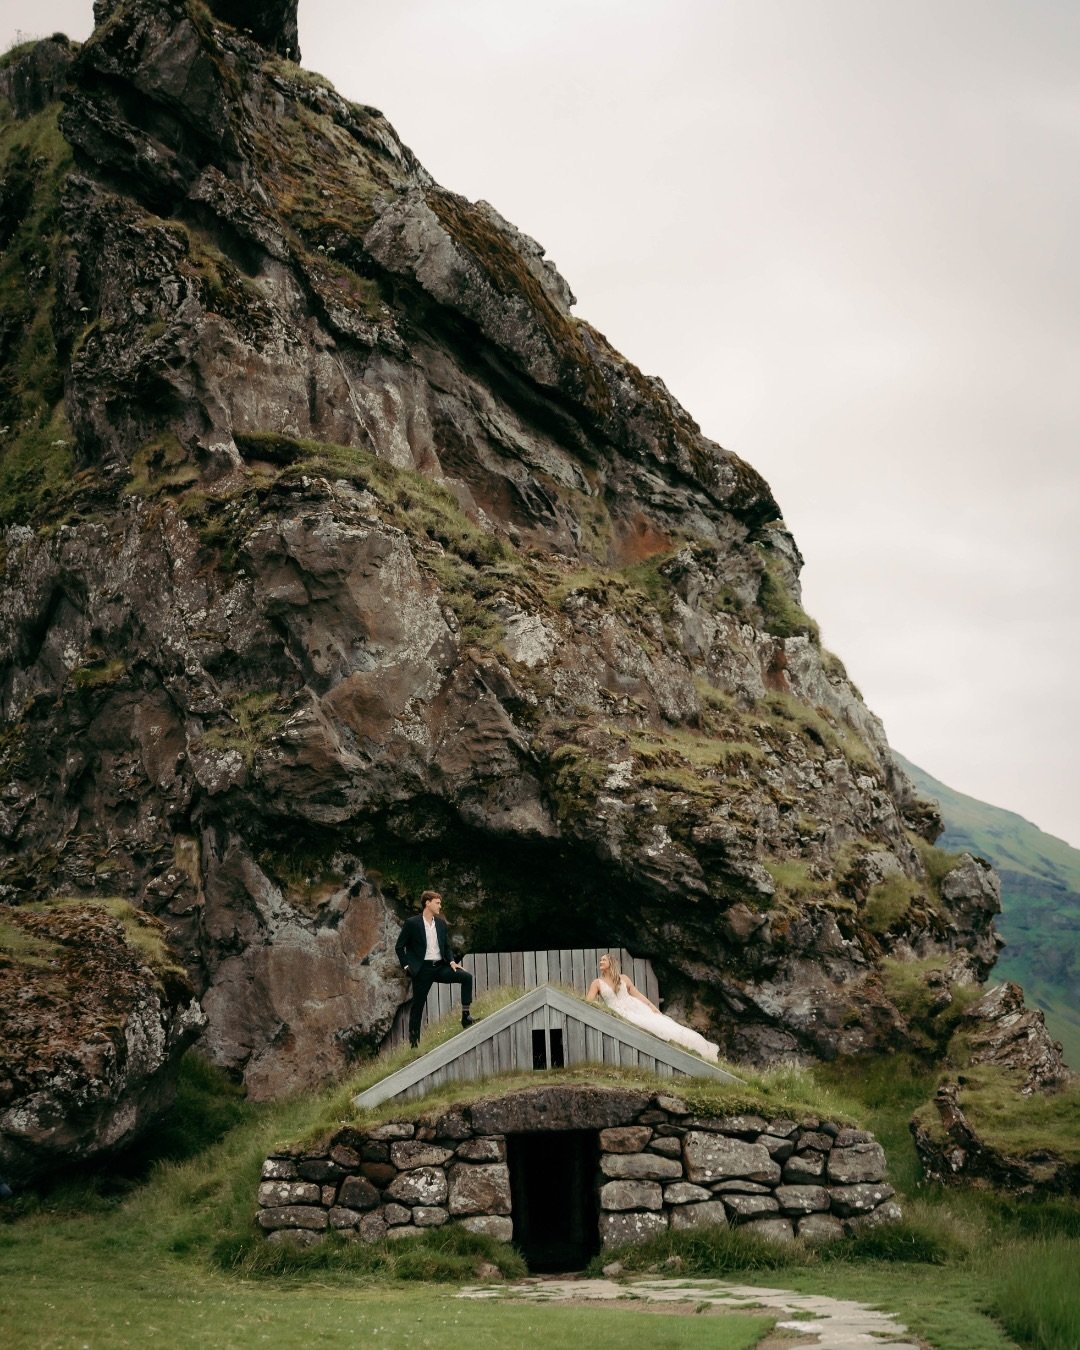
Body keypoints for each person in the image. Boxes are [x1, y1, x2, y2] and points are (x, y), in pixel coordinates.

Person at [587, 952, 719, 1062]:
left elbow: (637, 994)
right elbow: (589, 1001)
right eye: (600, 960)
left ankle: (696, 1046)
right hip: (618, 1012)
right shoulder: (597, 983)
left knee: (661, 1025)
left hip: (635, 1007)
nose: (600, 962)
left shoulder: (624, 979)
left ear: (611, 962)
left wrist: (651, 1007)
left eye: (603, 960)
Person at [395, 890, 477, 1048]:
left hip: (440, 967)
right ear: (427, 903)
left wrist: (452, 962)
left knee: (466, 977)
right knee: (418, 1006)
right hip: (422, 970)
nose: (440, 905)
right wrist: (407, 966)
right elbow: (399, 947)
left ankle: (466, 1017)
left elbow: (446, 946)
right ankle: (414, 1044)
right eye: (437, 902)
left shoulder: (441, 924)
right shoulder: (412, 923)